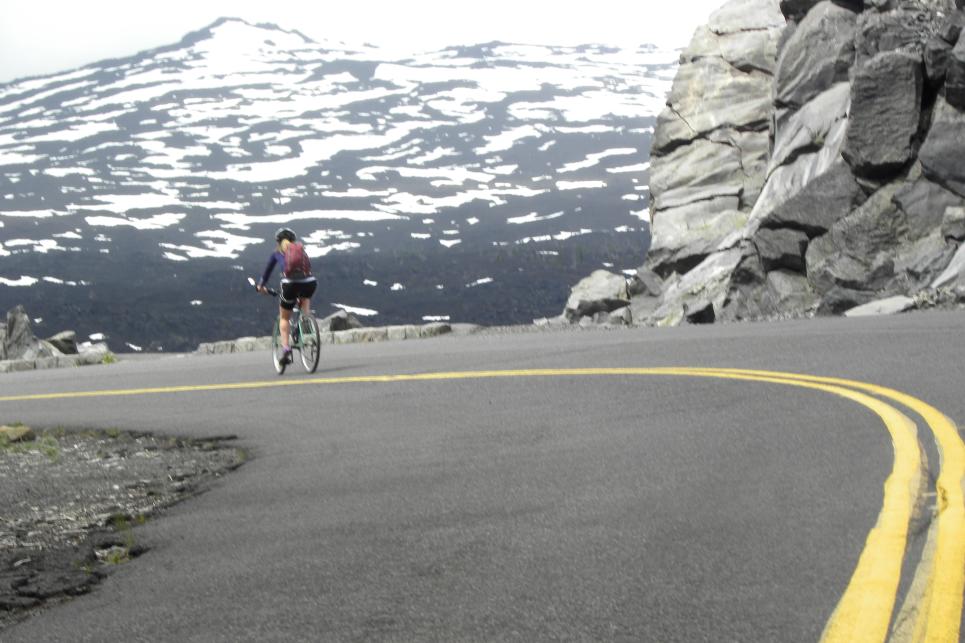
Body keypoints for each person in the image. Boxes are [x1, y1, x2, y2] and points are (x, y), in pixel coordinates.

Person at [257, 227, 317, 364]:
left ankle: (286, 350)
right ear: (293, 240)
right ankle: (307, 325)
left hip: (290, 284)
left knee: (284, 317)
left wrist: (260, 286)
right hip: (310, 282)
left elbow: (266, 274)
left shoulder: (277, 253)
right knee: (305, 303)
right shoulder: (300, 250)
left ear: (278, 241)